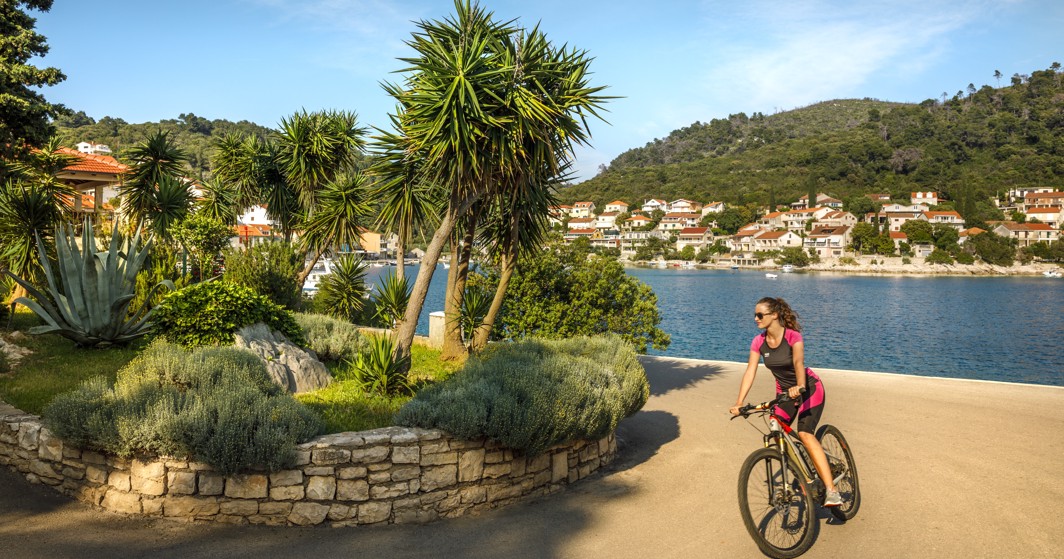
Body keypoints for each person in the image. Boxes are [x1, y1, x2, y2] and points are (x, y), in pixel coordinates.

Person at [729, 296, 842, 507]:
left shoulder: (793, 336)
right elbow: (750, 371)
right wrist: (739, 402)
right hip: (784, 394)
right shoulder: (758, 342)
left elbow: (799, 362)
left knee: (805, 434)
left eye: (760, 314)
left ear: (774, 315)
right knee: (775, 428)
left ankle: (832, 491)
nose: (756, 318)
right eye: (754, 314)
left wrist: (799, 386)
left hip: (808, 388)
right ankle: (805, 473)